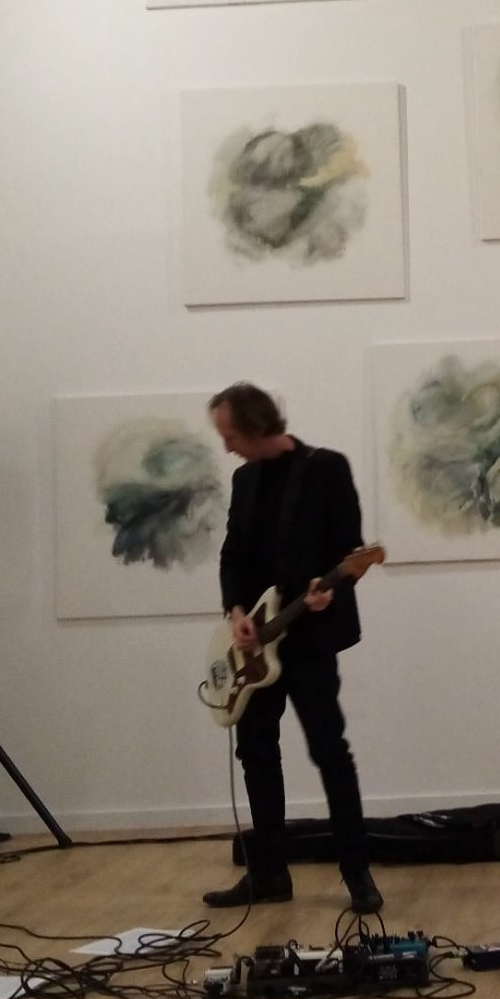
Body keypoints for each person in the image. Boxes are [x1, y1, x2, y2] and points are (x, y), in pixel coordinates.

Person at [202, 381, 382, 916]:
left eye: (230, 434)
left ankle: (358, 875)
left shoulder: (326, 467)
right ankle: (269, 874)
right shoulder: (244, 479)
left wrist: (332, 590)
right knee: (255, 753)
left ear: (257, 427)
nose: (227, 446)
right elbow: (232, 554)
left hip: (309, 638)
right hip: (254, 644)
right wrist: (235, 611)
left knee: (329, 751)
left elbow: (351, 551)